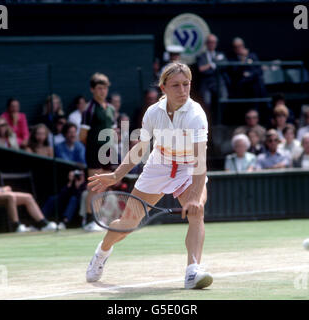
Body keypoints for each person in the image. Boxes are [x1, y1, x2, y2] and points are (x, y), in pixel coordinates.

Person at [85, 62, 213, 290]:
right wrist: (116, 175)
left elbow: (199, 162)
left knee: (197, 212)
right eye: (176, 85)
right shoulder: (153, 113)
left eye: (186, 84)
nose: (182, 90)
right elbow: (140, 148)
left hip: (187, 168)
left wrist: (194, 197)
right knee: (127, 223)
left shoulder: (196, 116)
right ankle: (102, 253)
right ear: (163, 88)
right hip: (159, 165)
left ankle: (193, 270)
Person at [0, 145, 58, 232]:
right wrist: (1, 190)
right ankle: (17, 226)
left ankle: (43, 224)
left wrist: (1, 189)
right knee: (10, 196)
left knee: (28, 197)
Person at [79, 73, 117, 232]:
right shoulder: (89, 109)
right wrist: (95, 147)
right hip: (94, 152)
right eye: (99, 88)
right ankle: (89, 220)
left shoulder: (111, 109)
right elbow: (82, 136)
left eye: (105, 88)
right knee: (94, 187)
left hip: (109, 152)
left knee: (104, 186)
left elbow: (113, 131)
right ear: (92, 90)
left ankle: (99, 219)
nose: (102, 91)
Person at [196, 34, 229, 112]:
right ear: (206, 43)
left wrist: (211, 65)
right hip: (206, 82)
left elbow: (225, 65)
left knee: (224, 98)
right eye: (209, 42)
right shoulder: (201, 56)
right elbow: (201, 69)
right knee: (206, 102)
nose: (212, 44)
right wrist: (211, 65)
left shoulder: (221, 54)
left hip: (219, 81)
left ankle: (220, 119)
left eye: (213, 42)